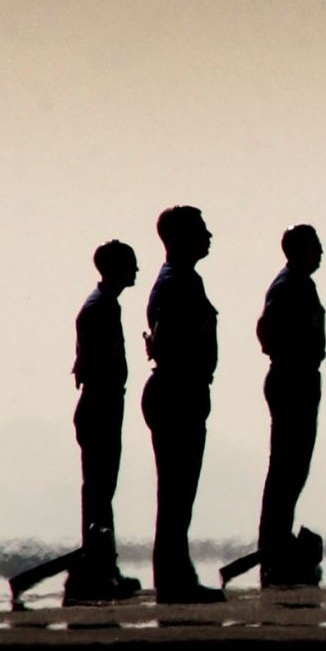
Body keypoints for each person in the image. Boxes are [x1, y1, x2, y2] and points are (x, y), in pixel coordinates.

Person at [141, 206, 225, 604]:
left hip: (182, 391)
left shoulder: (184, 280)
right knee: (175, 493)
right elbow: (172, 344)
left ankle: (176, 576)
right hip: (178, 392)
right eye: (201, 230)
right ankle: (175, 581)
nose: (209, 235)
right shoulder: (178, 284)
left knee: (177, 495)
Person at [65, 240, 143, 603]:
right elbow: (95, 365)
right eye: (130, 264)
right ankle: (97, 568)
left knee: (102, 490)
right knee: (98, 490)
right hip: (100, 405)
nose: (137, 270)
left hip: (105, 404)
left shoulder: (105, 307)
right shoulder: (99, 310)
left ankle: (103, 566)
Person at [253, 224, 326, 587]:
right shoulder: (288, 287)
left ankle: (278, 547)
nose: (322, 252)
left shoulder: (300, 284)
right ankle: (274, 553)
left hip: (300, 378)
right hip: (291, 380)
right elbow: (268, 332)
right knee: (285, 469)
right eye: (315, 246)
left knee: (293, 469)